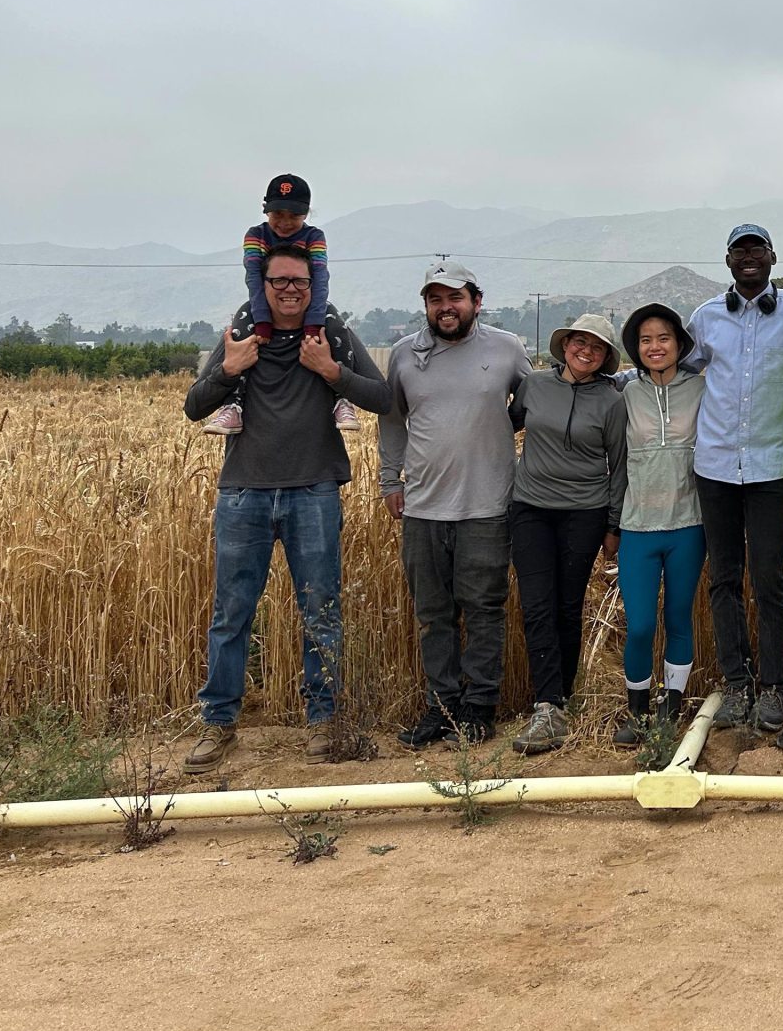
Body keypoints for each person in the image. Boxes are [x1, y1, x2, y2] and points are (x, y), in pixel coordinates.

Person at [180, 245, 391, 773]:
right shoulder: (243, 330)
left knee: (321, 612)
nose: (290, 289)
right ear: (264, 284)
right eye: (279, 281)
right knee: (232, 616)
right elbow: (194, 406)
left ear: (313, 283)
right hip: (243, 493)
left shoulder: (331, 333)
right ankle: (218, 724)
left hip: (314, 490)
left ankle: (323, 722)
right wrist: (229, 370)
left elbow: (383, 398)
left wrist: (331, 372)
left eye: (299, 280)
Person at [682, 224, 783, 734]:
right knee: (723, 578)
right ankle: (736, 683)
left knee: (769, 578)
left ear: (772, 257)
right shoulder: (703, 318)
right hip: (715, 467)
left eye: (757, 250)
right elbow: (676, 368)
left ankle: (773, 687)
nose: (749, 258)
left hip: (773, 467)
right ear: (727, 260)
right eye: (740, 250)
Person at [380, 261, 532, 749]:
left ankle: (480, 709)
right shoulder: (405, 355)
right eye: (435, 300)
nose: (446, 308)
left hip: (488, 506)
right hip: (423, 507)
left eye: (455, 298)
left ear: (476, 301)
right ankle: (441, 708)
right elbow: (391, 421)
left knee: (484, 609)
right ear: (426, 305)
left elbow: (533, 405)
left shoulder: (507, 349)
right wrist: (389, 481)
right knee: (432, 613)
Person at [507, 313, 628, 756]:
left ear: (605, 357)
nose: (586, 351)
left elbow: (619, 465)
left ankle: (561, 701)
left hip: (585, 513)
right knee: (537, 605)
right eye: (580, 342)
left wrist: (613, 525)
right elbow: (507, 426)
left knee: (567, 606)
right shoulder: (534, 386)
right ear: (565, 345)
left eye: (596, 347)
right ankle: (547, 704)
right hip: (531, 508)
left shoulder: (612, 402)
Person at [610, 304, 708, 754]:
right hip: (638, 527)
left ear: (679, 343)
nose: (655, 347)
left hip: (689, 523)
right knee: (642, 625)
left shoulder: (701, 388)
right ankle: (637, 711)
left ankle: (671, 706)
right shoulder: (624, 394)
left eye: (663, 338)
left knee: (678, 618)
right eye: (646, 340)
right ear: (636, 348)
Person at [202, 174, 359, 437]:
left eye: (294, 216)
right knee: (243, 327)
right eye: (278, 214)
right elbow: (254, 279)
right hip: (261, 305)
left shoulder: (314, 236)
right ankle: (233, 405)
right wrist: (262, 321)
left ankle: (342, 399)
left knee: (334, 326)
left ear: (306, 214)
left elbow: (319, 281)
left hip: (310, 307)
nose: (285, 223)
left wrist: (313, 323)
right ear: (265, 210)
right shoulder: (256, 235)